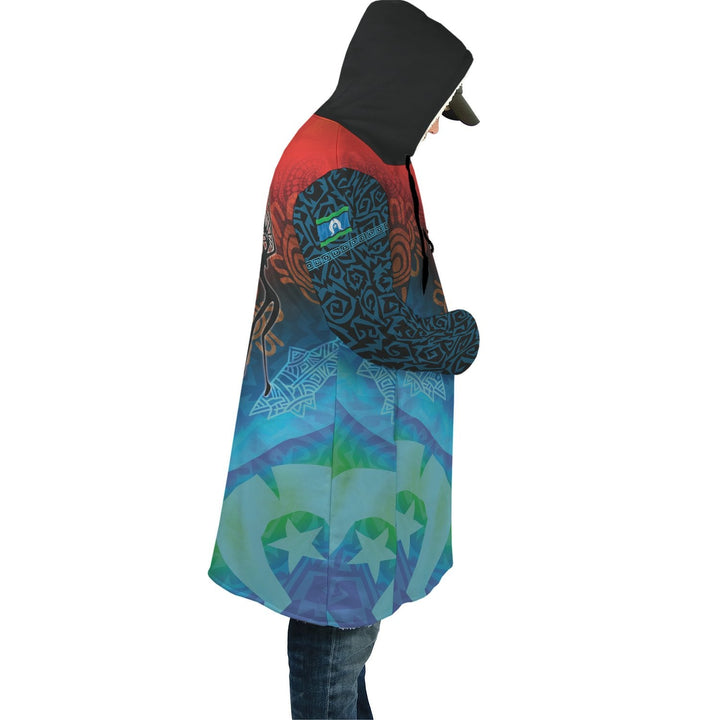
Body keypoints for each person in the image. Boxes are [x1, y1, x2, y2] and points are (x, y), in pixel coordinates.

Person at [208, 2, 480, 717]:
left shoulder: (364, 154)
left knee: (347, 627)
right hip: (334, 457)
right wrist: (460, 340)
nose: (433, 128)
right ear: (403, 84)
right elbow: (370, 324)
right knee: (336, 623)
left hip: (356, 445)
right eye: (434, 110)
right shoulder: (335, 170)